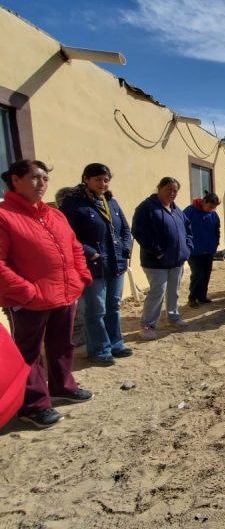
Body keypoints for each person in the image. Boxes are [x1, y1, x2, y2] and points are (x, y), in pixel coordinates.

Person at [0, 160, 93, 428]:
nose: (42, 183)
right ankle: (34, 405)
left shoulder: (55, 215)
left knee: (62, 345)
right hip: (28, 301)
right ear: (15, 180)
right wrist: (27, 292)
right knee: (28, 354)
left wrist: (80, 276)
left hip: (64, 294)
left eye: (45, 178)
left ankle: (62, 387)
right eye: (34, 178)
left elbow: (74, 247)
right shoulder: (5, 215)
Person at [59, 163, 133, 366]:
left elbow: (125, 229)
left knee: (113, 307)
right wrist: (90, 252)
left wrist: (126, 247)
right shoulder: (73, 204)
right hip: (94, 267)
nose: (103, 183)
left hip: (115, 264)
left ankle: (116, 344)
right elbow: (67, 235)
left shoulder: (111, 202)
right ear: (86, 179)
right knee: (96, 310)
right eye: (98, 179)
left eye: (106, 179)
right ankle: (100, 351)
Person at [132, 177, 194, 340]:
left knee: (174, 290)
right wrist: (158, 252)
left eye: (175, 191)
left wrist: (188, 247)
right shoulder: (147, 208)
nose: (172, 193)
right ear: (159, 188)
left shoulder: (176, 209)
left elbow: (188, 229)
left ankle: (173, 317)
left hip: (177, 260)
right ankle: (147, 325)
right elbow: (139, 232)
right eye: (168, 189)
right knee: (157, 292)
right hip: (155, 262)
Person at [183, 192, 221, 308]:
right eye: (210, 206)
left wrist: (215, 243)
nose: (211, 209)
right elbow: (182, 229)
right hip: (194, 250)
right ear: (204, 202)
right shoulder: (190, 211)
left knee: (206, 273)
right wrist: (186, 246)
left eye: (214, 207)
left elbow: (216, 229)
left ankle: (202, 296)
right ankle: (192, 297)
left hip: (209, 249)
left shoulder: (213, 214)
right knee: (197, 274)